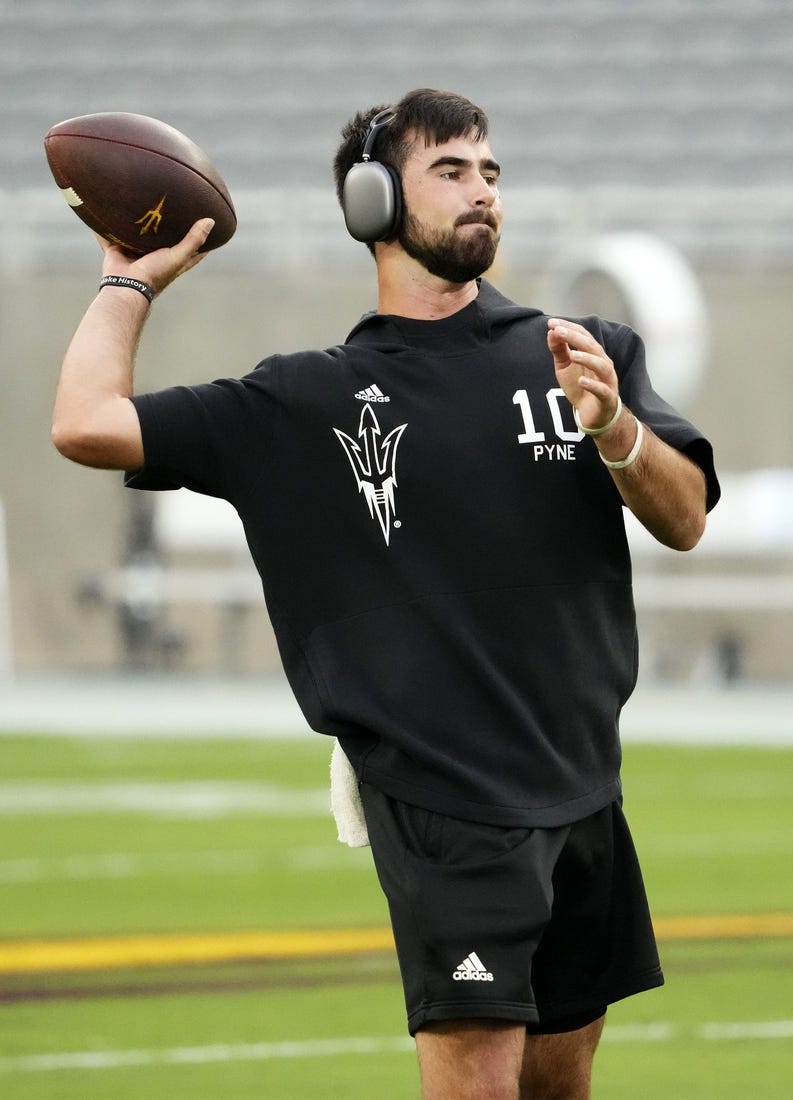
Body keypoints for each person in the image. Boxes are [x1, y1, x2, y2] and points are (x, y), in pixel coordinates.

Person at [53, 88, 720, 1100]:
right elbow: (84, 421)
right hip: (443, 800)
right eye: (449, 170)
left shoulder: (579, 353)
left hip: (584, 786)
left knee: (561, 1084)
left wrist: (616, 428)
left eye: (489, 170)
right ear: (371, 201)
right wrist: (127, 281)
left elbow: (684, 518)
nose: (481, 191)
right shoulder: (302, 398)